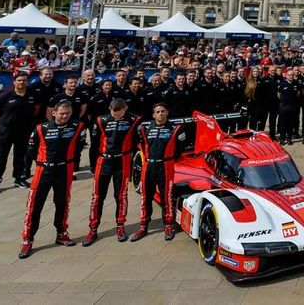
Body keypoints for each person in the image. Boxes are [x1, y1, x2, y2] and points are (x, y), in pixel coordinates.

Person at [18, 100, 85, 259]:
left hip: (65, 170)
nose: (65, 116)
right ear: (54, 113)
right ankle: (28, 239)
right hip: (44, 170)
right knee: (34, 205)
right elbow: (31, 150)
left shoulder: (78, 127)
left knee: (62, 203)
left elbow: (79, 147)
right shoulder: (41, 128)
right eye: (62, 113)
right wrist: (43, 163)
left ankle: (61, 233)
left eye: (68, 113)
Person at [83, 98, 141, 245]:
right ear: (109, 109)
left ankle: (120, 226)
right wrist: (92, 165)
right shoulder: (101, 120)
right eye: (113, 114)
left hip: (122, 161)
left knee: (121, 195)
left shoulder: (135, 120)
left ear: (125, 109)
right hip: (103, 162)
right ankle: (93, 229)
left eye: (119, 114)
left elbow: (137, 142)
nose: (116, 117)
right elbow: (94, 144)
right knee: (97, 197)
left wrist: (135, 163)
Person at [130, 102, 187, 242]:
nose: (160, 114)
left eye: (163, 111)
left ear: (167, 112)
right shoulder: (145, 129)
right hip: (149, 166)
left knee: (166, 197)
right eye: (157, 111)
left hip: (166, 166)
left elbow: (180, 150)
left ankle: (168, 225)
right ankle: (143, 226)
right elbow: (141, 145)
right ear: (153, 114)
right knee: (146, 197)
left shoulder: (176, 129)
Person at [0, 72, 38, 194]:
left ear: (27, 81)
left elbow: (36, 109)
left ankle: (18, 178)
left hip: (24, 130)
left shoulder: (32, 95)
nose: (22, 82)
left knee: (20, 156)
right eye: (19, 80)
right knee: (2, 157)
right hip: (7, 130)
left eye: (24, 80)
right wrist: (5, 122)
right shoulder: (5, 96)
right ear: (14, 82)